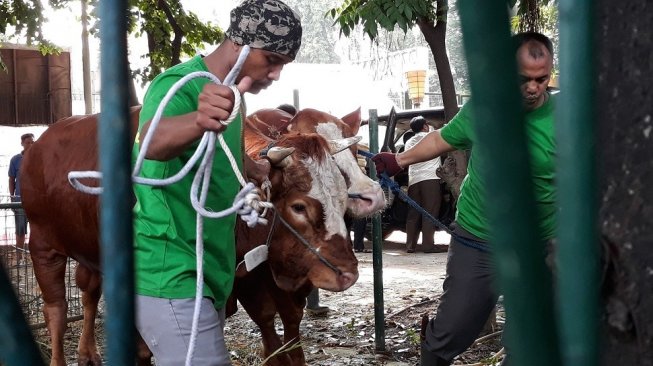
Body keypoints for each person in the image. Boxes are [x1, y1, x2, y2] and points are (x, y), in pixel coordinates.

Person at [131, 1, 302, 365]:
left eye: (283, 65)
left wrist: (255, 171)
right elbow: (150, 142)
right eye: (271, 59)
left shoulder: (233, 97)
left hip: (210, 270)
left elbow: (223, 153)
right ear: (239, 44)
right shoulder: (179, 84)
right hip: (170, 270)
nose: (275, 75)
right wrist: (198, 119)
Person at [372, 32, 556, 366]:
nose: (533, 88)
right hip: (479, 237)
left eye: (541, 79)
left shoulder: (566, 119)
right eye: (523, 79)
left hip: (539, 244)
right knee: (452, 331)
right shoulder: (485, 108)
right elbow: (442, 139)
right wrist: (398, 160)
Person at [403, 116, 442, 254]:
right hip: (430, 179)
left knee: (413, 213)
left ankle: (410, 246)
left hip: (413, 181)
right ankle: (428, 246)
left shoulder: (408, 142)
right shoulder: (430, 137)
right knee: (429, 212)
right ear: (425, 126)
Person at [8, 133, 35, 264]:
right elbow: (11, 179)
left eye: (32, 142)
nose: (31, 144)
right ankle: (19, 257)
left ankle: (35, 256)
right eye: (28, 142)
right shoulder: (15, 160)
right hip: (20, 200)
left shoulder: (38, 158)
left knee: (36, 230)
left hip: (35, 201)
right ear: (22, 144)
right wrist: (12, 197)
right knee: (20, 230)